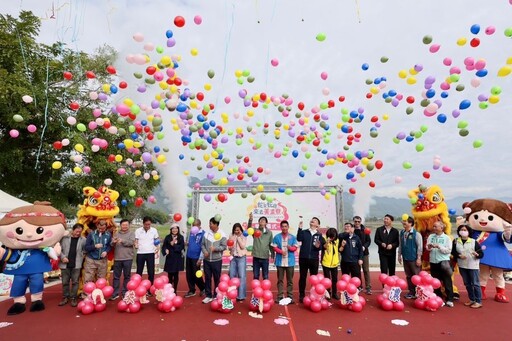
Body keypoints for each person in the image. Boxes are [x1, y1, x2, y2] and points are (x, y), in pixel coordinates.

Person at [452, 224, 484, 308]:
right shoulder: (455, 241)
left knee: (475, 283)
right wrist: (459, 255)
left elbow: (481, 254)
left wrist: (476, 254)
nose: (463, 231)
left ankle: (478, 301)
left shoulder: (474, 242)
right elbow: (453, 252)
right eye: (461, 229)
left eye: (465, 230)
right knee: (467, 283)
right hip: (462, 265)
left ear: (469, 232)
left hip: (473, 265)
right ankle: (472, 299)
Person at [426, 221, 455, 307]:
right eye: (433, 226)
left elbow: (448, 250)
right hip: (433, 262)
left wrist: (439, 246)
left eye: (435, 226)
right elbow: (427, 247)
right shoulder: (431, 236)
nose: (434, 228)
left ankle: (450, 299)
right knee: (435, 281)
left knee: (447, 281)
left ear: (441, 228)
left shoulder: (446, 238)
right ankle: (438, 298)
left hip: (443, 262)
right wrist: (430, 247)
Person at [297, 217, 325, 303]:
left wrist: (318, 247)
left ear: (317, 225)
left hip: (314, 259)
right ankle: (302, 295)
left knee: (314, 278)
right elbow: (299, 238)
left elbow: (321, 247)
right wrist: (299, 228)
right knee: (302, 277)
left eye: (315, 220)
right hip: (303, 258)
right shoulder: (305, 232)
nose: (312, 220)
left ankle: (314, 294)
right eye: (312, 219)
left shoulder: (319, 235)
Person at [58, 223, 86, 307]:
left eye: (80, 232)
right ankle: (65, 297)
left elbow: (85, 250)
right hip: (64, 264)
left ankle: (73, 298)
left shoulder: (83, 239)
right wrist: (62, 257)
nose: (78, 233)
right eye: (77, 231)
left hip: (76, 264)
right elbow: (58, 249)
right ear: (73, 230)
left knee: (75, 282)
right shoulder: (64, 238)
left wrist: (82, 255)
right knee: (65, 282)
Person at [201, 217, 227, 304]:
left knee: (217, 278)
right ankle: (208, 295)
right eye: (209, 223)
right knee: (207, 278)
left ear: (216, 224)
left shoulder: (222, 234)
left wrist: (215, 249)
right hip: (207, 260)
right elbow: (203, 245)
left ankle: (216, 295)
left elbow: (224, 247)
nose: (209, 225)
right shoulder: (206, 234)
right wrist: (205, 252)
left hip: (217, 260)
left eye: (211, 224)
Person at [272, 220, 299, 303]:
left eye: (285, 226)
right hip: (280, 262)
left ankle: (290, 296)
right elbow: (274, 247)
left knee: (290, 280)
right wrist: (281, 251)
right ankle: (280, 296)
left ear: (288, 227)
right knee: (280, 280)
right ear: (280, 227)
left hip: (290, 262)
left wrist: (290, 248)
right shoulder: (276, 237)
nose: (284, 228)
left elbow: (295, 248)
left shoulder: (292, 237)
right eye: (282, 226)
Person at [397, 216, 423, 299]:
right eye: (403, 221)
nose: (404, 223)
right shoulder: (402, 233)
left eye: (406, 221)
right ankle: (411, 292)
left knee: (416, 276)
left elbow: (420, 247)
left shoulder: (416, 234)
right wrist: (399, 255)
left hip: (414, 258)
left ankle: (419, 292)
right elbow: (400, 245)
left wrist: (419, 258)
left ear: (411, 223)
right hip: (405, 257)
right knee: (408, 276)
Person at [110, 219, 135, 300]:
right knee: (116, 277)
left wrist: (122, 241)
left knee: (127, 276)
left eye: (126, 225)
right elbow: (111, 244)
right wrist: (113, 242)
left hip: (128, 258)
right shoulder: (116, 233)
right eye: (123, 225)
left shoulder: (131, 233)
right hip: (117, 258)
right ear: (120, 225)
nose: (124, 226)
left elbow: (131, 243)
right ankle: (115, 293)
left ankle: (125, 292)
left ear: (129, 225)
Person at [134, 216, 160, 293]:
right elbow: (136, 240)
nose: (147, 226)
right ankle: (137, 287)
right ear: (143, 223)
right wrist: (135, 244)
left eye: (149, 224)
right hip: (140, 253)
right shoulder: (138, 230)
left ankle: (150, 288)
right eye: (146, 224)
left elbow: (157, 240)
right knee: (139, 271)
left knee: (151, 272)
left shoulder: (154, 230)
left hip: (150, 253)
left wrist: (158, 247)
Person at [83, 219, 112, 284]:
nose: (101, 230)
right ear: (97, 226)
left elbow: (109, 246)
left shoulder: (108, 235)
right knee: (88, 278)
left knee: (101, 280)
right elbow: (86, 247)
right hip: (91, 260)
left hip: (102, 260)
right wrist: (94, 246)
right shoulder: (91, 234)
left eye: (103, 229)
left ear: (106, 227)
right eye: (99, 228)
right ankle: (86, 293)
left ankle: (99, 293)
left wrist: (106, 251)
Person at [247, 213, 274, 280]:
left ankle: (265, 289)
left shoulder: (269, 233)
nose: (262, 221)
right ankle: (256, 289)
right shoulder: (255, 231)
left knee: (265, 276)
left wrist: (273, 254)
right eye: (260, 220)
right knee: (256, 275)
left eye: (264, 220)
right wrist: (250, 220)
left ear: (266, 223)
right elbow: (249, 229)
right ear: (258, 222)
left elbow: (271, 244)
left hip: (265, 257)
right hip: (256, 257)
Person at [184, 218, 205, 298]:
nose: (194, 227)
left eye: (195, 226)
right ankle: (191, 290)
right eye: (193, 226)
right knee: (189, 274)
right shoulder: (191, 233)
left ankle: (203, 288)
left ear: (199, 226)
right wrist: (187, 243)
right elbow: (192, 243)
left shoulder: (203, 234)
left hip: (196, 257)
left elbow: (203, 247)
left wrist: (200, 258)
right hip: (189, 256)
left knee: (196, 274)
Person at [162, 223, 185, 292]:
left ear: (178, 229)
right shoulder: (167, 237)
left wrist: (173, 244)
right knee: (169, 274)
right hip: (170, 258)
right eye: (173, 228)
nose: (174, 230)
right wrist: (165, 250)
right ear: (171, 229)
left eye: (176, 228)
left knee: (176, 274)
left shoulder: (181, 237)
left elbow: (181, 247)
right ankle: (169, 288)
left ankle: (175, 289)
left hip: (177, 258)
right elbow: (164, 246)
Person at [228, 223, 247, 302]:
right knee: (232, 275)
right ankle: (232, 294)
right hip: (233, 257)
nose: (236, 231)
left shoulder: (243, 236)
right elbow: (229, 247)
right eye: (235, 230)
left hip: (241, 257)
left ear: (240, 230)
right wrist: (230, 247)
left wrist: (238, 238)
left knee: (241, 276)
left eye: (238, 230)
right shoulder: (231, 236)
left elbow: (242, 246)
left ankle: (241, 296)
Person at [353, 216, 372, 294]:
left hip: (364, 253)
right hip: (355, 254)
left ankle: (368, 287)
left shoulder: (365, 230)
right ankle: (359, 286)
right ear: (353, 222)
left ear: (361, 222)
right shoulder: (352, 230)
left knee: (366, 270)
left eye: (358, 221)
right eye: (355, 221)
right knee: (357, 271)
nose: (357, 223)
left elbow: (369, 241)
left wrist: (364, 246)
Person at [321, 227, 340, 300]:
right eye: (330, 236)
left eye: (333, 236)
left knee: (335, 279)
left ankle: (334, 293)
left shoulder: (337, 241)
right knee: (327, 279)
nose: (332, 238)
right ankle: (328, 293)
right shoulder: (324, 240)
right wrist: (327, 242)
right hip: (326, 263)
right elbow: (324, 247)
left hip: (334, 263)